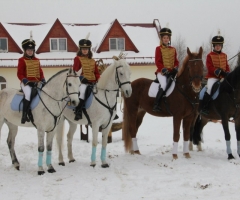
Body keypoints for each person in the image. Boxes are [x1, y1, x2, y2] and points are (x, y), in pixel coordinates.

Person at [17, 35, 46, 124]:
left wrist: (43, 79)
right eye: (28, 50)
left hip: (36, 82)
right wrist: (26, 81)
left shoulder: (37, 60)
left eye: (31, 50)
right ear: (25, 51)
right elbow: (19, 73)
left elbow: (40, 72)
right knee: (28, 94)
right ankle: (24, 115)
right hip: (26, 83)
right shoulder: (22, 60)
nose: (30, 52)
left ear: (34, 51)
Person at [200, 32, 230, 115]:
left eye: (219, 45)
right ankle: (205, 107)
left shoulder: (224, 55)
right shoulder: (210, 55)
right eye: (216, 45)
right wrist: (217, 71)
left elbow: (226, 65)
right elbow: (209, 67)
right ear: (214, 46)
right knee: (209, 89)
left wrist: (227, 72)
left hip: (223, 77)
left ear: (221, 46)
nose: (218, 47)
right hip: (213, 77)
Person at [73, 37, 100, 121]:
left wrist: (99, 79)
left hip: (93, 82)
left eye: (86, 49)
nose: (85, 50)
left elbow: (96, 73)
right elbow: (75, 72)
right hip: (82, 83)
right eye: (83, 49)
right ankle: (79, 111)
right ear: (80, 49)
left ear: (89, 50)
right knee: (83, 92)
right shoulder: (77, 59)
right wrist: (81, 78)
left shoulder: (92, 61)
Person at [153, 27, 179, 112]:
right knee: (164, 84)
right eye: (164, 38)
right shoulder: (158, 48)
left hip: (172, 72)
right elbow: (158, 61)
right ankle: (156, 104)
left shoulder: (173, 49)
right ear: (161, 39)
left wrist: (176, 67)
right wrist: (163, 69)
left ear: (169, 39)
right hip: (162, 72)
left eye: (167, 38)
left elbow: (176, 61)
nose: (166, 39)